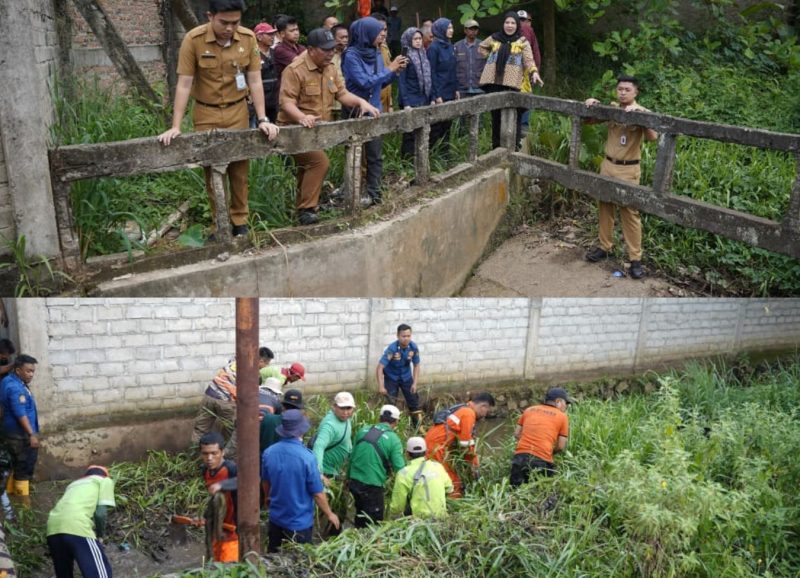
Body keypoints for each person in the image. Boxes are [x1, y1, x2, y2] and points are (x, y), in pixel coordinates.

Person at [156, 0, 280, 240]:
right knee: (213, 170)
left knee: (239, 169)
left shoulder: (248, 39)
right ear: (210, 16)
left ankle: (241, 222)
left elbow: (254, 80)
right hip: (206, 112)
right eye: (224, 22)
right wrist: (175, 126)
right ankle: (219, 223)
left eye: (235, 22)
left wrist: (263, 118)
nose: (230, 28)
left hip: (238, 111)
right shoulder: (194, 40)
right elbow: (183, 84)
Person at [279, 28, 381, 225]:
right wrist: (302, 117)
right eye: (325, 50)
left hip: (317, 131)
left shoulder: (331, 68)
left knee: (307, 167)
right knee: (319, 162)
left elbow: (341, 94)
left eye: (332, 49)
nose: (330, 53)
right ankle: (307, 210)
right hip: (294, 130)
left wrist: (362, 103)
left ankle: (301, 208)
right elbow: (286, 102)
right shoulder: (294, 70)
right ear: (310, 50)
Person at [584, 75, 658, 280]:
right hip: (608, 164)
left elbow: (653, 138)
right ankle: (604, 246)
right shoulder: (613, 109)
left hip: (629, 169)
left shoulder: (643, 112)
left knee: (630, 212)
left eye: (627, 89)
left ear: (636, 92)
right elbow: (590, 120)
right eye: (620, 89)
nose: (623, 92)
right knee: (604, 205)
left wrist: (641, 117)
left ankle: (635, 259)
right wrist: (591, 104)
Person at [341, 17, 407, 207]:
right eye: (379, 32)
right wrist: (390, 69)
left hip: (374, 110)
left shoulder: (376, 52)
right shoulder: (351, 55)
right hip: (356, 110)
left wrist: (394, 72)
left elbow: (380, 83)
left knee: (375, 154)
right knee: (354, 155)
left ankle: (374, 193)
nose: (383, 34)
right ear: (367, 33)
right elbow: (364, 81)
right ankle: (351, 194)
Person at [261, 409, 340, 552]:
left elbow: (265, 481)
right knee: (299, 563)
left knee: (273, 560)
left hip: (276, 519)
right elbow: (317, 493)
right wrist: (329, 514)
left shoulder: (269, 452)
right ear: (301, 431)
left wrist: (268, 497)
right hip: (299, 524)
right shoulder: (307, 458)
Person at [479, 11, 542, 150]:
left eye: (513, 23)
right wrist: (491, 58)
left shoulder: (522, 41)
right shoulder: (495, 38)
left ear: (517, 25)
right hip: (495, 84)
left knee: (515, 116)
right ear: (503, 24)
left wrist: (534, 72)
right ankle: (496, 148)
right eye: (507, 22)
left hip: (513, 84)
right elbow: (482, 47)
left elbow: (529, 59)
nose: (510, 25)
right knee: (496, 118)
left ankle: (513, 147)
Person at [46, 465, 115, 578]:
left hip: (52, 528)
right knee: (99, 574)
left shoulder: (73, 484)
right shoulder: (104, 481)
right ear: (105, 475)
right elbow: (100, 513)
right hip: (77, 526)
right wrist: (100, 536)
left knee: (64, 574)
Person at [424, 391, 495, 498]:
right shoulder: (468, 413)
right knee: (454, 482)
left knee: (442, 477)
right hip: (437, 447)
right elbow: (465, 444)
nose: (486, 414)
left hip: (434, 444)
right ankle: (454, 506)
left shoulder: (463, 408)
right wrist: (474, 465)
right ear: (483, 406)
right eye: (487, 410)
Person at [347, 405, 405, 527]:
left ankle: (357, 538)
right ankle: (369, 543)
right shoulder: (394, 439)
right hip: (372, 485)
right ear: (395, 422)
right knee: (374, 522)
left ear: (379, 418)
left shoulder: (362, 430)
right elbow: (400, 469)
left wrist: (347, 478)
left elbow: (352, 456)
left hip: (354, 481)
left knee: (360, 513)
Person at [510, 387, 574, 485]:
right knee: (543, 493)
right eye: (566, 403)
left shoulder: (529, 410)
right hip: (541, 460)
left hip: (519, 457)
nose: (566, 407)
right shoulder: (562, 416)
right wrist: (548, 451)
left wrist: (528, 445)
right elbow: (561, 446)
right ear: (558, 401)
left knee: (515, 491)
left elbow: (516, 434)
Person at [0, 354, 40, 501]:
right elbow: (20, 413)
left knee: (13, 466)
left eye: (33, 371)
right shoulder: (15, 388)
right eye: (28, 371)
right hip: (20, 435)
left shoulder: (7, 380)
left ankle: (11, 499)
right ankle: (25, 504)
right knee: (24, 467)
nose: (31, 374)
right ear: (18, 370)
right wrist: (31, 434)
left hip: (9, 432)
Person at [388, 437, 452, 518]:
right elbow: (449, 489)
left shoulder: (403, 473)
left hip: (418, 521)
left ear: (407, 454)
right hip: (441, 517)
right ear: (426, 452)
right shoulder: (438, 467)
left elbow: (397, 507)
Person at [199, 432, 239, 562]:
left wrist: (222, 484)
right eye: (205, 454)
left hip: (232, 528)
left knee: (228, 566)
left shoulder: (231, 468)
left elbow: (246, 481)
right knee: (213, 560)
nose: (209, 458)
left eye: (214, 453)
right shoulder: (205, 470)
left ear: (222, 452)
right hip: (216, 526)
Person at [376, 323, 422, 427]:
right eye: (403, 336)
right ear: (398, 336)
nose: (406, 339)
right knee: (390, 405)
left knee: (414, 402)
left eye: (408, 336)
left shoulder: (413, 347)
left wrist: (415, 383)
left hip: (406, 377)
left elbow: (416, 365)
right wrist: (381, 386)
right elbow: (379, 367)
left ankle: (417, 427)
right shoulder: (392, 349)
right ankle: (389, 428)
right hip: (391, 378)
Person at [427, 18, 458, 157]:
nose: (451, 30)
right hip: (439, 92)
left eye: (452, 27)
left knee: (447, 125)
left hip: (450, 90)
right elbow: (431, 72)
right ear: (441, 30)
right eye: (448, 28)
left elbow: (453, 69)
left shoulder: (451, 46)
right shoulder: (433, 48)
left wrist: (456, 89)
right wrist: (436, 94)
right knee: (436, 126)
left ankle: (445, 153)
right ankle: (431, 154)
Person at [259, 389, 304, 454]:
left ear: (282, 406)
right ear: (299, 409)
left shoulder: (267, 418)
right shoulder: (299, 425)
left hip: (264, 460)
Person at [251, 22, 279, 126]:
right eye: (269, 34)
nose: (272, 37)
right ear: (259, 36)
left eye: (273, 34)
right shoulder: (253, 54)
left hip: (275, 101)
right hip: (259, 102)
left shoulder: (275, 53)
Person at [273, 15, 306, 92]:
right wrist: (313, 46)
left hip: (300, 89)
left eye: (297, 30)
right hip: (286, 91)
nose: (296, 33)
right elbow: (299, 62)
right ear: (282, 34)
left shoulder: (301, 48)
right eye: (292, 31)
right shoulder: (279, 49)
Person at [454, 19, 486, 98]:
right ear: (465, 30)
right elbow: (453, 68)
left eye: (475, 29)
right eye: (470, 29)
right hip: (462, 89)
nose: (473, 31)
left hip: (479, 88)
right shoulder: (457, 46)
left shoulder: (483, 46)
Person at [331, 24, 350, 119]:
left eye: (346, 37)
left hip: (348, 100)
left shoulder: (351, 55)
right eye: (342, 37)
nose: (345, 40)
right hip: (330, 102)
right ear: (333, 38)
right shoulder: (327, 55)